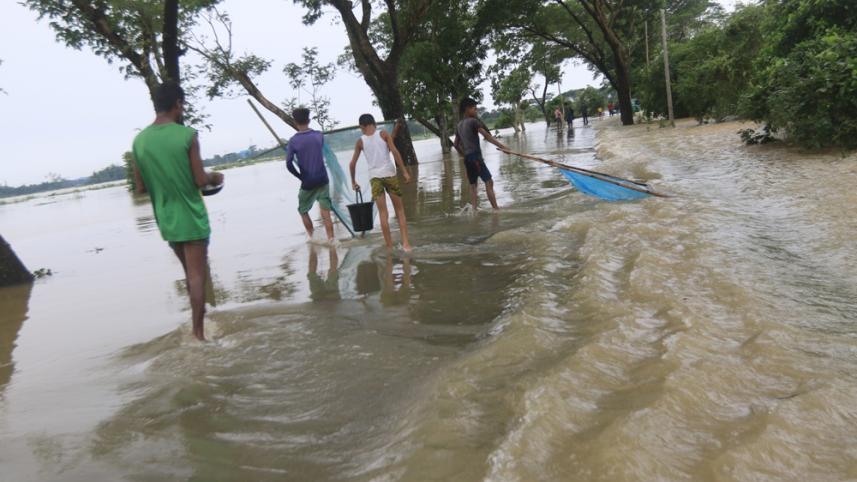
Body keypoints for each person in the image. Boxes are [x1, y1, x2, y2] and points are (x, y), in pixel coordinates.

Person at [131, 81, 223, 341]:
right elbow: (199, 180)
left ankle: (198, 324)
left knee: (189, 274)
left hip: (166, 219)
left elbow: (139, 187)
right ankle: (199, 336)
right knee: (197, 277)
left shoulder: (139, 141)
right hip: (191, 216)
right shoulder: (187, 135)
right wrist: (215, 177)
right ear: (178, 104)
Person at [349, 114, 413, 252]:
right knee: (400, 211)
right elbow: (395, 152)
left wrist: (353, 181)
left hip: (375, 179)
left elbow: (352, 164)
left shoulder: (360, 141)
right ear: (374, 123)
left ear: (361, 126)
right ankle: (406, 244)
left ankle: (389, 246)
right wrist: (405, 172)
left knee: (383, 214)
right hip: (390, 175)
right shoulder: (383, 134)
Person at [286, 108, 335, 244]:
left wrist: (300, 176)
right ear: (309, 120)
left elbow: (289, 164)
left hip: (307, 181)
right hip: (323, 179)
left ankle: (313, 239)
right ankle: (331, 240)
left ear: (295, 122)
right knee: (325, 212)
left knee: (303, 210)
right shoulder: (319, 135)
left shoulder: (293, 141)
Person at [453, 97, 509, 211]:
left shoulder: (459, 125)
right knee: (489, 181)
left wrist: (464, 155)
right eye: (474, 109)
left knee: (473, 186)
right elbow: (487, 136)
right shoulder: (473, 121)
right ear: (467, 109)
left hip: (468, 159)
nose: (476, 111)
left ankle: (474, 211)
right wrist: (503, 147)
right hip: (476, 157)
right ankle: (496, 210)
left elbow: (455, 144)